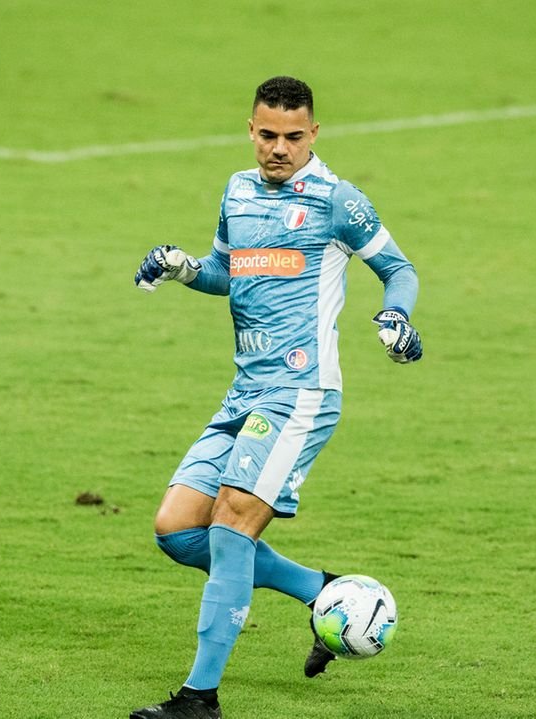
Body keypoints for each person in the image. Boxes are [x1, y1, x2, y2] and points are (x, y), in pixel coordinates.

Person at [129, 76, 422, 719]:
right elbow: (226, 271)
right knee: (177, 531)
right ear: (251, 129)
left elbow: (397, 269)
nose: (279, 148)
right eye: (268, 135)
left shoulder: (338, 201)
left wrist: (396, 317)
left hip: (302, 391)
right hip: (246, 390)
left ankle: (200, 698)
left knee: (232, 523)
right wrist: (182, 268)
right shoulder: (237, 190)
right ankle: (324, 590)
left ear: (313, 134)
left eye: (293, 136)